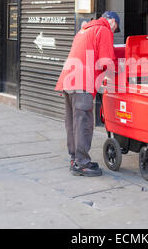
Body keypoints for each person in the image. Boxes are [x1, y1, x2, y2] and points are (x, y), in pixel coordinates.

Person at [55, 11, 120, 177]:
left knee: (72, 122)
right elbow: (106, 61)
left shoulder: (83, 30)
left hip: (68, 79)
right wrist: (117, 76)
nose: (113, 31)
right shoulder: (103, 29)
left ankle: (75, 158)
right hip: (82, 82)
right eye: (115, 28)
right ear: (111, 21)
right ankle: (82, 163)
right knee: (83, 122)